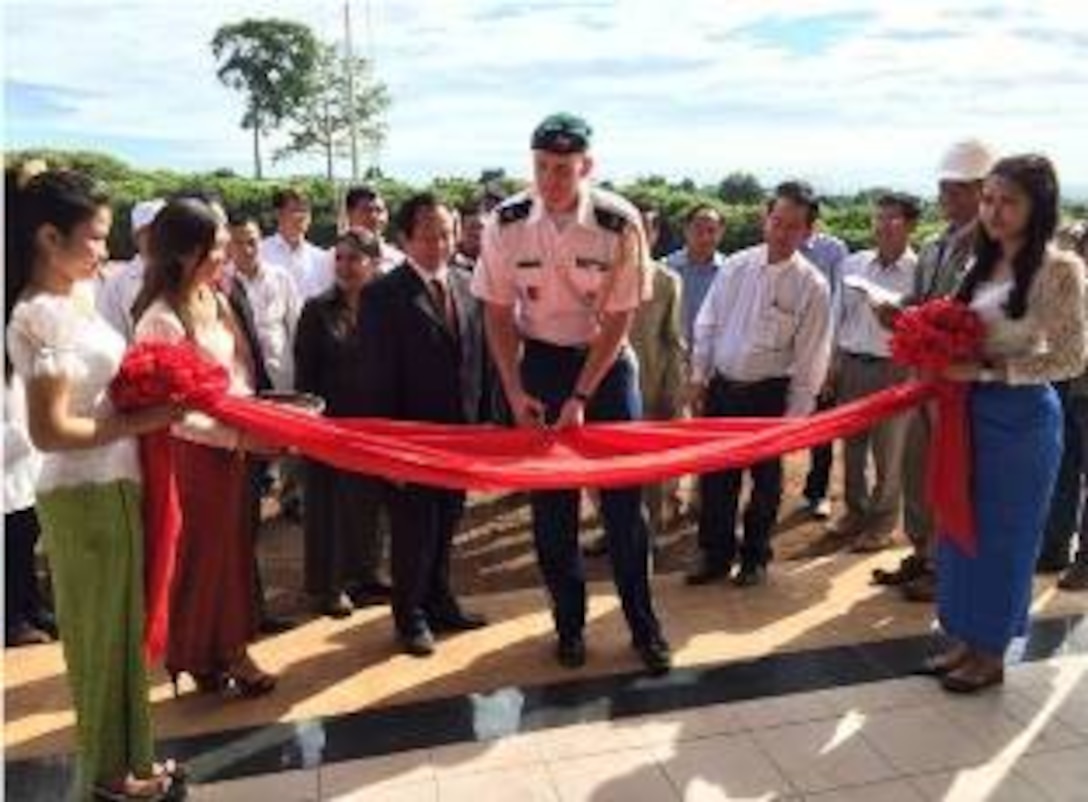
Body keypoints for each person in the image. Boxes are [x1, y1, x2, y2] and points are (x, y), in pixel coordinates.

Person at [6, 169, 184, 799]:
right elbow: (50, 432)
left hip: (114, 483)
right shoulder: (38, 315)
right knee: (96, 641)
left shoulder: (76, 299)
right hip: (79, 494)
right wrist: (145, 418)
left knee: (122, 633)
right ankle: (106, 777)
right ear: (48, 237)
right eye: (96, 239)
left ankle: (130, 763)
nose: (104, 253)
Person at [472, 112, 671, 675]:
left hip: (604, 368)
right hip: (540, 364)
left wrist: (582, 395)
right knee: (551, 510)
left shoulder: (617, 222)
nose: (552, 180)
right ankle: (570, 626)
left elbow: (619, 319)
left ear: (587, 165)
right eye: (541, 167)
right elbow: (495, 311)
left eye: (563, 168)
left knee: (624, 508)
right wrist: (514, 390)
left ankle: (643, 625)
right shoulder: (507, 221)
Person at [923, 154, 1086, 693]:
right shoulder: (979, 262)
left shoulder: (1060, 269)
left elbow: (1071, 358)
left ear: (1037, 206)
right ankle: (963, 639)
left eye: (1007, 201)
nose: (993, 211)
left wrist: (991, 369)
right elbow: (960, 327)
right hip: (966, 412)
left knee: (1005, 536)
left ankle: (991, 651)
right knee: (960, 530)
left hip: (1022, 421)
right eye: (988, 199)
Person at [133, 198, 276, 699]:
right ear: (183, 253)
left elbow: (235, 377)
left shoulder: (216, 297)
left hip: (233, 445)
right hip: (194, 455)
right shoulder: (160, 320)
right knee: (207, 557)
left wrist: (261, 420)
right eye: (216, 248)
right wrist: (242, 433)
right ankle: (221, 652)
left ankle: (210, 653)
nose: (226, 256)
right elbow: (174, 413)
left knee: (233, 553)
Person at [358, 193, 488, 657]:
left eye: (447, 234)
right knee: (413, 530)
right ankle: (408, 615)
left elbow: (477, 362)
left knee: (447, 522)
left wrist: (483, 427)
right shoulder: (381, 296)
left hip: (459, 437)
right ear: (405, 239)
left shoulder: (469, 284)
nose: (440, 244)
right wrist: (388, 449)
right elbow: (374, 378)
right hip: (409, 441)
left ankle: (440, 601)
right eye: (428, 236)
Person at [687, 180, 832, 588]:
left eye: (793, 226)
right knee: (717, 479)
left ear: (809, 232)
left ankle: (755, 558)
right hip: (723, 388)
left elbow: (811, 360)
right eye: (777, 221)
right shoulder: (736, 266)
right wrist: (699, 376)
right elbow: (709, 323)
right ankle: (714, 554)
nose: (782, 232)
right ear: (765, 220)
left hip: (770, 396)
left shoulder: (812, 286)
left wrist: (796, 420)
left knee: (765, 484)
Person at [870, 138, 996, 602]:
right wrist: (896, 311)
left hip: (957, 385)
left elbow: (973, 319)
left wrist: (915, 319)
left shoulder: (990, 248)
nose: (944, 196)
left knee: (949, 472)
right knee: (917, 465)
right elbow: (922, 304)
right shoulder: (935, 246)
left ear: (980, 189)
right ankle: (922, 552)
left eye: (955, 188)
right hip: (923, 378)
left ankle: (946, 566)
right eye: (943, 187)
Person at [295, 230, 392, 617]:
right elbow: (306, 375)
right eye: (340, 259)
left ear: (374, 263)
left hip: (374, 425)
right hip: (328, 425)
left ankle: (365, 577)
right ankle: (329, 587)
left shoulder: (386, 309)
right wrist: (312, 426)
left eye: (355, 259)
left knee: (369, 505)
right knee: (328, 507)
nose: (346, 267)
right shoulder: (316, 310)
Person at [826, 192, 920, 552]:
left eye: (892, 218)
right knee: (851, 448)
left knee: (889, 451)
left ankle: (881, 526)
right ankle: (855, 511)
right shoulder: (853, 264)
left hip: (895, 368)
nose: (882, 225)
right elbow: (838, 315)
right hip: (853, 364)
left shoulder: (920, 270)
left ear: (910, 224)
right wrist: (833, 364)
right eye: (878, 217)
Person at [628, 204, 686, 533]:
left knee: (648, 471)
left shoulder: (666, 282)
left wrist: (672, 393)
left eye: (644, 228)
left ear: (654, 234)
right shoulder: (597, 274)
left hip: (649, 389)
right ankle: (615, 531)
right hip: (605, 391)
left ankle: (645, 537)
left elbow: (674, 341)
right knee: (611, 470)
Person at [797, 207, 851, 521]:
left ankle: (816, 493)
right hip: (781, 355)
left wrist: (831, 358)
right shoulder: (767, 251)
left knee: (822, 428)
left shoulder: (834, 250)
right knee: (772, 428)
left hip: (818, 349)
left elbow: (837, 305)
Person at [97, 198, 166, 342]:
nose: (158, 236)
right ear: (136, 237)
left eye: (164, 229)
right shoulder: (117, 284)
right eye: (149, 230)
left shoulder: (187, 274)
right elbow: (111, 336)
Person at [666, 204, 726, 349]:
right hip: (673, 358)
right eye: (698, 230)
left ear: (721, 233)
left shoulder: (730, 272)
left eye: (711, 231)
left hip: (715, 359)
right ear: (686, 230)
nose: (705, 237)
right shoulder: (666, 269)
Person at [259, 188, 333, 301]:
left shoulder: (321, 258)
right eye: (295, 210)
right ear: (279, 214)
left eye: (305, 211)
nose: (301, 217)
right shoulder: (260, 252)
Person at [343, 185, 405, 273]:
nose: (374, 217)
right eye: (366, 210)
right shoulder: (331, 261)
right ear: (349, 214)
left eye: (379, 210)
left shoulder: (399, 261)